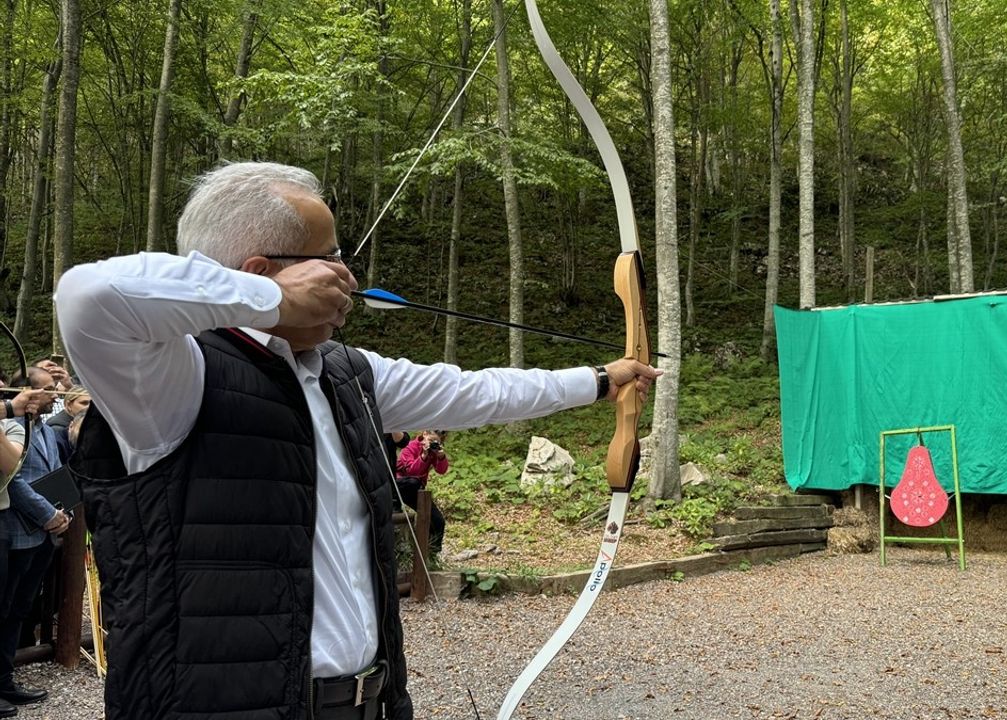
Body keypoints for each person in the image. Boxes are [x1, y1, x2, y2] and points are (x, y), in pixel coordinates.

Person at [55, 161, 659, 720]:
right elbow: (89, 295)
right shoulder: (175, 379)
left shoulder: (346, 372)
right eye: (329, 256)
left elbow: (478, 391)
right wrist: (274, 300)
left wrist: (601, 380)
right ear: (260, 270)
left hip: (367, 703)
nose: (347, 275)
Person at [0, 368, 71, 718]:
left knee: (18, 609)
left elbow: (53, 474)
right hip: (14, 530)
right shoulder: (15, 426)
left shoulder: (43, 429)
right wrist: (47, 515)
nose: (54, 393)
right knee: (4, 608)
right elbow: (14, 481)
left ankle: (4, 679)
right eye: (45, 389)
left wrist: (63, 511)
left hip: (40, 534)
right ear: (24, 393)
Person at [395, 431, 450, 556]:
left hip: (417, 489)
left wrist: (440, 456)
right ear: (424, 434)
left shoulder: (434, 450)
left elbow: (441, 470)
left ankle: (431, 553)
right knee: (414, 481)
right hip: (400, 485)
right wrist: (424, 456)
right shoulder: (410, 446)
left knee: (437, 520)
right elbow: (412, 471)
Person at [44, 386, 90, 462]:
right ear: (68, 405)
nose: (89, 407)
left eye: (92, 404)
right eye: (84, 403)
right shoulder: (57, 430)